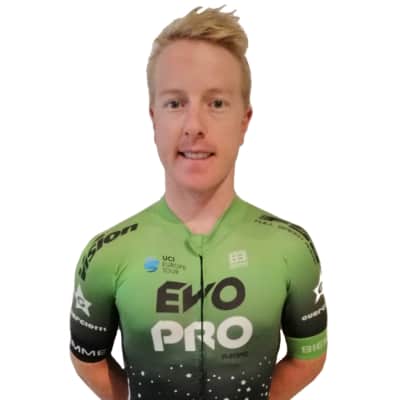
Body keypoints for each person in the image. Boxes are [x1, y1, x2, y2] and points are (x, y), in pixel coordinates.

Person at [69, 6, 327, 400]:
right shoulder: (106, 254)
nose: (194, 126)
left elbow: (308, 357)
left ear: (245, 121)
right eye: (175, 104)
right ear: (154, 119)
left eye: (216, 103)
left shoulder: (292, 248)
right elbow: (88, 359)